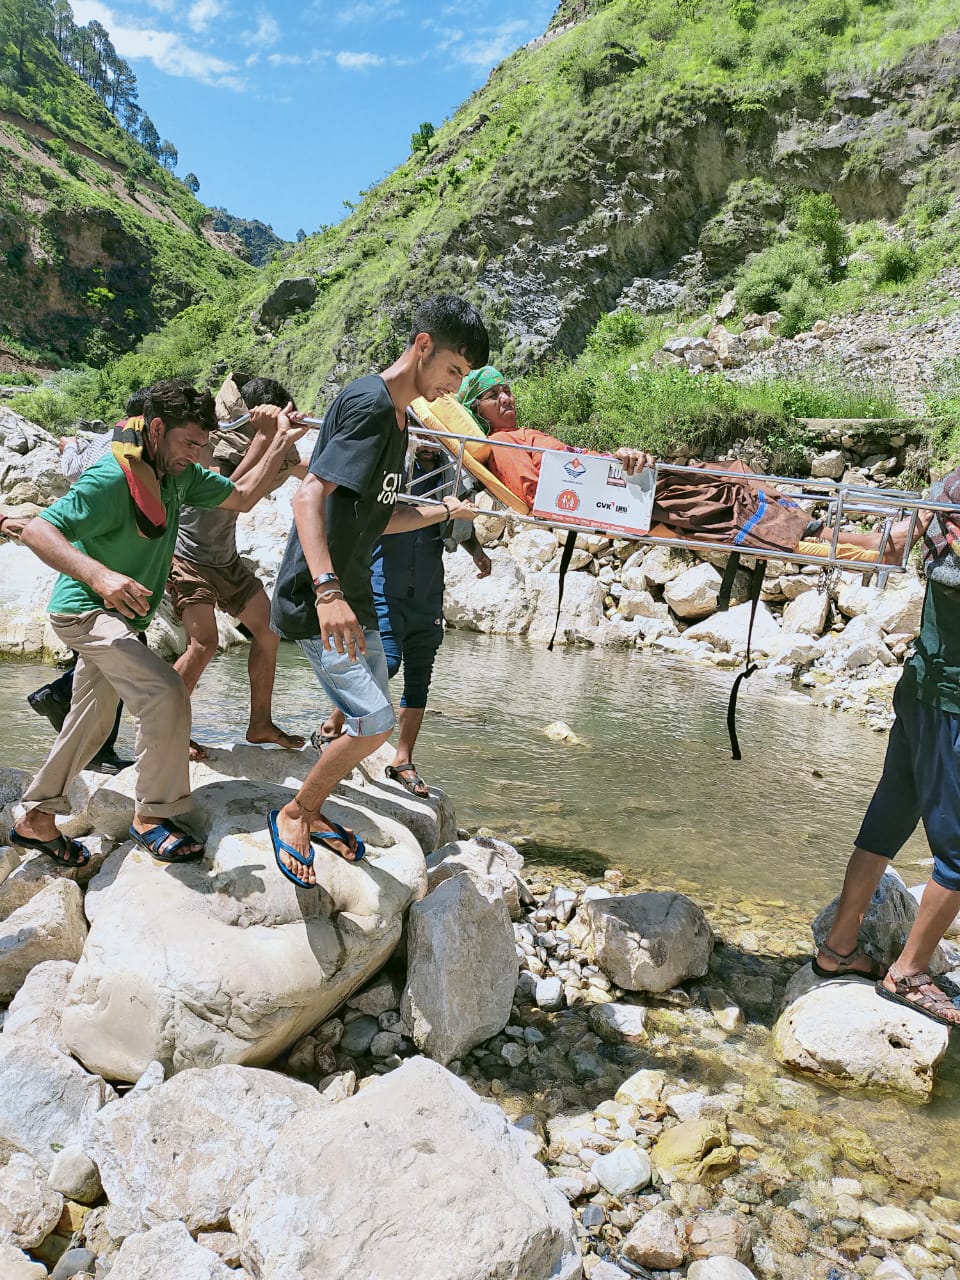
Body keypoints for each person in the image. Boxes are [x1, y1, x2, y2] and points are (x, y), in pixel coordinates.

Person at [8, 379, 306, 869]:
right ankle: (153, 815)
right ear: (158, 428)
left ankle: (36, 818)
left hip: (122, 616)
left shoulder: (177, 475)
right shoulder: (109, 479)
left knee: (91, 719)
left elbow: (245, 496)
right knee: (165, 692)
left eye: (202, 445)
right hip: (85, 610)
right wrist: (100, 576)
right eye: (189, 443)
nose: (196, 454)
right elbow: (40, 529)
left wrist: (278, 442)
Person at [268, 295, 489, 887]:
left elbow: (379, 514)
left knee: (363, 710)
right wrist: (327, 591)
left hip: (353, 594)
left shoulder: (399, 418)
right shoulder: (369, 404)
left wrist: (441, 509)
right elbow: (308, 494)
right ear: (423, 346)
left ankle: (314, 808)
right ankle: (296, 813)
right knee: (374, 723)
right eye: (453, 371)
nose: (454, 387)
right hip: (322, 597)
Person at [813, 481, 960, 1027]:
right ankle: (910, 973)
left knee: (890, 816)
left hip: (921, 688)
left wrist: (820, 534)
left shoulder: (950, 486)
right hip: (952, 703)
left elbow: (892, 546)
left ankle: (839, 947)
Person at [316, 442, 492, 797]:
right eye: (424, 434)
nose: (430, 443)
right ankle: (334, 725)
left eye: (437, 437)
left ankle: (402, 759)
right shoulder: (393, 466)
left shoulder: (450, 471)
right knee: (388, 661)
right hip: (384, 583)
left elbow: (461, 524)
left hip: (427, 589)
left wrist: (477, 553)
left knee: (420, 673)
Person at [168, 374, 307, 757]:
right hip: (186, 558)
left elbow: (306, 470)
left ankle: (260, 723)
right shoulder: (207, 441)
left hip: (225, 559)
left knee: (269, 629)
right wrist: (267, 439)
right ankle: (169, 731)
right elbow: (229, 493)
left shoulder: (259, 444)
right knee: (204, 643)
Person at [26, 388, 152, 773]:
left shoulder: (104, 444)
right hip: (101, 566)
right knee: (120, 653)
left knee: (104, 658)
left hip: (97, 558)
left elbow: (70, 471)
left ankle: (63, 705)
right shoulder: (121, 458)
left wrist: (68, 447)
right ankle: (89, 739)